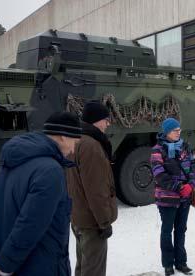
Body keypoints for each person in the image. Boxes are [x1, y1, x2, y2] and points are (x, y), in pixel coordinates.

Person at [0, 112, 81, 276]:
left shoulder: (9, 164)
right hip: (40, 268)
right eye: (74, 142)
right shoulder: (51, 171)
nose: (73, 150)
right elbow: (29, 227)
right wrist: (2, 269)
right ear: (63, 136)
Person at [66, 101, 117, 276]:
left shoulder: (76, 140)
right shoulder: (91, 146)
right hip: (92, 221)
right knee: (93, 270)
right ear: (96, 120)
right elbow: (96, 190)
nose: (108, 123)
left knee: (82, 266)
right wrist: (104, 222)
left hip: (78, 216)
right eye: (105, 119)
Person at [150, 118, 195, 276]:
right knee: (166, 231)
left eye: (179, 130)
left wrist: (191, 184)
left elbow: (192, 165)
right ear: (166, 132)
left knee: (181, 230)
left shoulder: (185, 147)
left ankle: (181, 262)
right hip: (167, 198)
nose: (178, 132)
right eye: (174, 130)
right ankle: (168, 264)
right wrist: (179, 187)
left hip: (185, 198)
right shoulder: (157, 150)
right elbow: (159, 174)